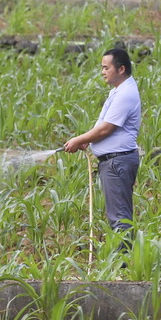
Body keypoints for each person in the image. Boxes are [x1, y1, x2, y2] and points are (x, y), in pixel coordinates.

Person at [63, 47, 142, 243]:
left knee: (120, 218)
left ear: (121, 69)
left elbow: (106, 129)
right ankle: (120, 263)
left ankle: (122, 268)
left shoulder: (125, 94)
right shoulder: (119, 91)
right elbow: (104, 128)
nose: (102, 72)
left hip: (118, 162)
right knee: (118, 214)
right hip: (115, 161)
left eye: (106, 68)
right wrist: (88, 140)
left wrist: (79, 140)